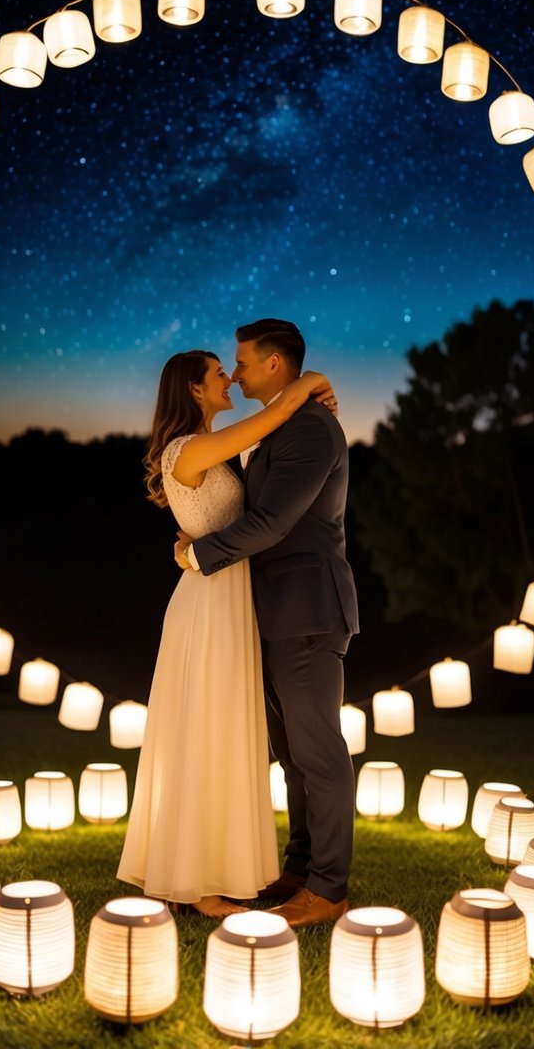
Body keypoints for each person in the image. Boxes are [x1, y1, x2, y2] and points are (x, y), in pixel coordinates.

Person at [116, 348, 338, 917]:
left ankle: (214, 869)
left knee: (227, 732)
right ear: (193, 389)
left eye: (234, 366)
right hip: (210, 598)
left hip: (231, 596)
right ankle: (202, 887)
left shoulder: (215, 450)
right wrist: (314, 380)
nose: (231, 377)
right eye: (220, 372)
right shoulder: (189, 448)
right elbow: (274, 415)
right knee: (207, 730)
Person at [175, 319, 359, 929]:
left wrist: (197, 554)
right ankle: (302, 869)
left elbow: (275, 522)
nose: (236, 372)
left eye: (244, 362)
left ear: (275, 364)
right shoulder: (285, 420)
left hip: (307, 608)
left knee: (318, 750)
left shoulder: (309, 428)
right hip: (273, 613)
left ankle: (329, 888)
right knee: (292, 753)